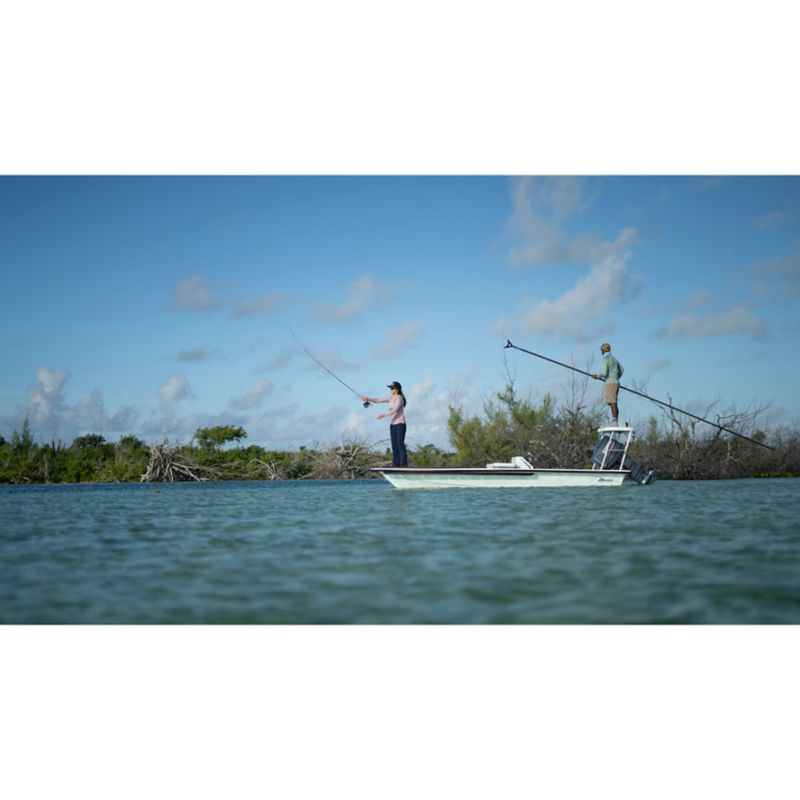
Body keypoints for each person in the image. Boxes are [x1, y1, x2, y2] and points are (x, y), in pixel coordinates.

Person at [360, 381, 408, 466]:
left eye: (392, 388)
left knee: (400, 444)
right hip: (393, 425)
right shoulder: (390, 398)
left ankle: (404, 465)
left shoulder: (399, 399)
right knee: (394, 446)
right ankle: (395, 465)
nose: (390, 390)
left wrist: (383, 415)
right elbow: (378, 400)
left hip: (400, 424)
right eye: (390, 388)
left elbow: (395, 410)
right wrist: (367, 398)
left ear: (396, 389)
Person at [592, 343, 624, 424]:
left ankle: (614, 420)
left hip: (610, 383)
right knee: (612, 402)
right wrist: (616, 377)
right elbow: (622, 370)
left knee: (612, 402)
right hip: (616, 382)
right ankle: (615, 419)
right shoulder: (614, 359)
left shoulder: (605, 359)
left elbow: (604, 372)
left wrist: (598, 376)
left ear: (603, 350)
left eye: (601, 350)